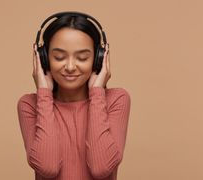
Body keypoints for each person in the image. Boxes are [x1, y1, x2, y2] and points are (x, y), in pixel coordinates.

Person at [17, 11, 131, 180]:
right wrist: (44, 93)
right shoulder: (29, 105)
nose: (70, 66)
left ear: (98, 59)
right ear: (43, 59)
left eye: (82, 58)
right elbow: (48, 168)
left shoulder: (116, 100)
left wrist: (97, 93)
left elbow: (101, 168)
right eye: (59, 57)